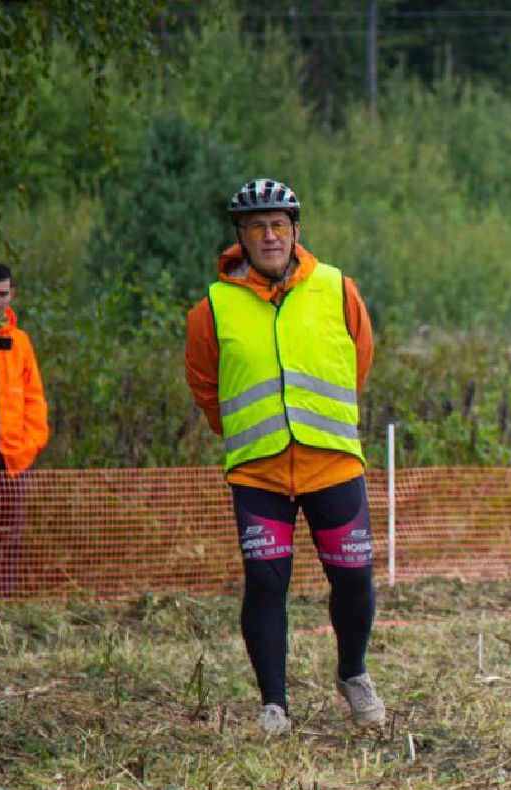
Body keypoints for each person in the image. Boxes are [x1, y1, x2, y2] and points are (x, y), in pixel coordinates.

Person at [184, 178, 384, 737]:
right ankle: (275, 705)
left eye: (278, 225)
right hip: (259, 470)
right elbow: (206, 384)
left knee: (354, 581)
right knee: (266, 584)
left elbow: (359, 361)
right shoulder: (212, 308)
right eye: (256, 227)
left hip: (332, 462)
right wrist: (251, 434)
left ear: (295, 232)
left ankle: (353, 673)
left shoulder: (337, 288)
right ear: (240, 238)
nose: (268, 236)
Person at [0, 264, 50, 598]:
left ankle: (7, 606)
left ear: (12, 295)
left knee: (11, 540)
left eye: (2, 294)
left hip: (15, 463)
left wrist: (28, 447)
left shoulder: (21, 343)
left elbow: (35, 401)